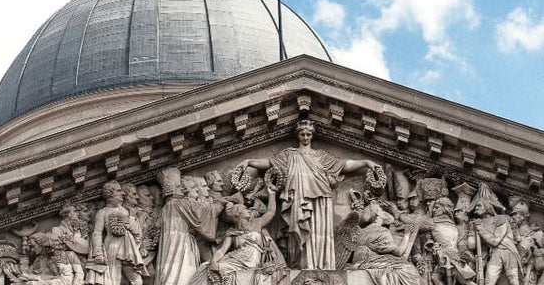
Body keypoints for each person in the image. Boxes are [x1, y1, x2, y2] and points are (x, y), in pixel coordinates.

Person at [246, 119, 385, 270]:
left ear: (312, 136)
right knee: (299, 232)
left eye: (308, 134)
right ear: (298, 136)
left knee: (319, 232)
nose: (305, 137)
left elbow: (344, 165)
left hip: (321, 200)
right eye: (302, 134)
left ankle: (321, 265)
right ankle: (302, 264)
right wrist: (248, 161)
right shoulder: (289, 155)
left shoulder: (322, 156)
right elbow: (269, 163)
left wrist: (365, 162)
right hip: (298, 199)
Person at [156, 167, 224, 285]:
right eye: (178, 186)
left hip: (169, 248)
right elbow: (204, 213)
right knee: (184, 273)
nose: (182, 189)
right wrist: (221, 203)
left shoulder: (165, 208)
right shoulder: (180, 203)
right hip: (182, 245)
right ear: (172, 190)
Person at [203, 188, 283, 285]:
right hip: (235, 260)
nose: (248, 210)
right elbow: (221, 251)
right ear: (238, 214)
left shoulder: (257, 223)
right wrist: (214, 261)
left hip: (251, 261)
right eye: (244, 209)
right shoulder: (232, 232)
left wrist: (272, 194)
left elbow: (270, 212)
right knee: (206, 268)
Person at [90, 181, 149, 285]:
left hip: (129, 246)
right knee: (113, 280)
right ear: (109, 193)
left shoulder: (126, 211)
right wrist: (98, 253)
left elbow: (136, 231)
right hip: (112, 246)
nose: (122, 193)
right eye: (118, 190)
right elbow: (97, 233)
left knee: (137, 280)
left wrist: (137, 244)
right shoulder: (102, 212)